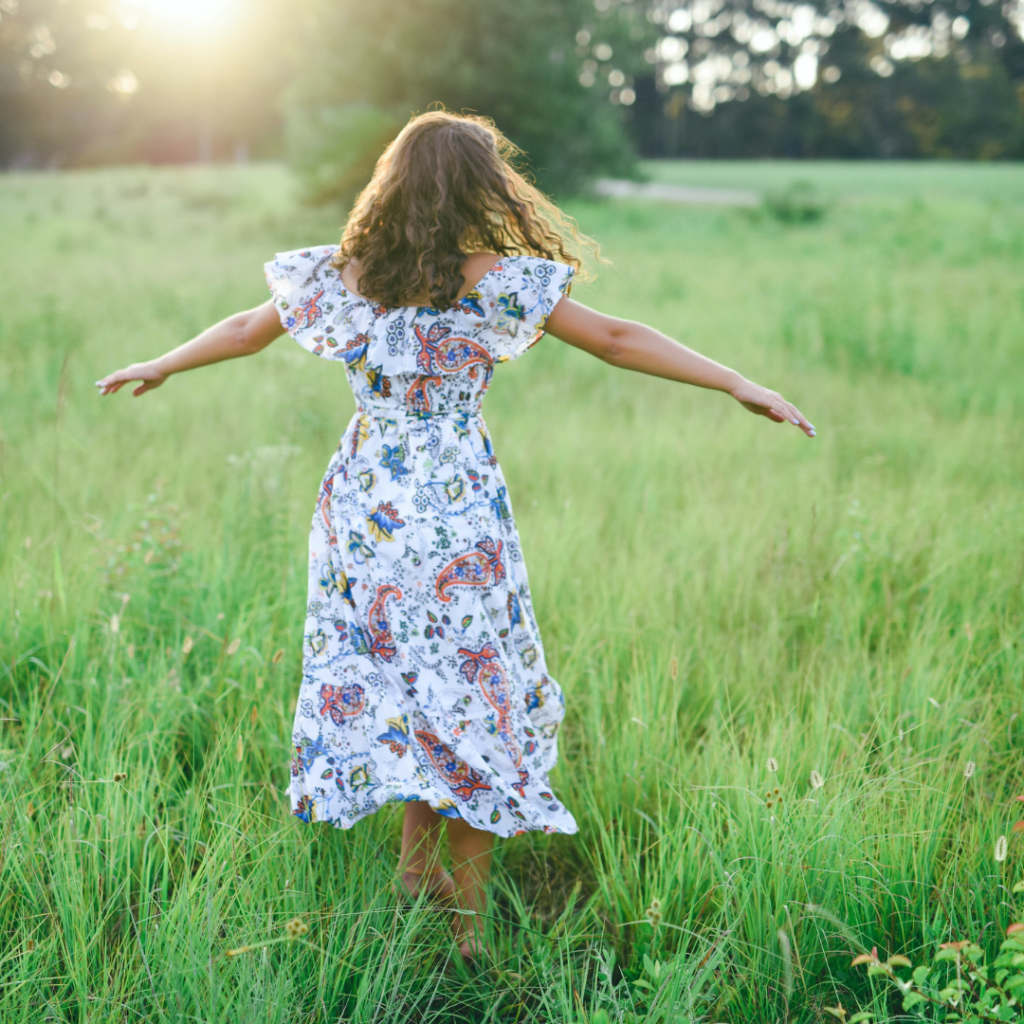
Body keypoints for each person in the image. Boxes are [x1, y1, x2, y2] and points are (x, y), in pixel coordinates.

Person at [97, 110, 814, 965]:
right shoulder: (494, 279)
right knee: (472, 698)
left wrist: (162, 362)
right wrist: (737, 382)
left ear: (388, 184)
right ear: (482, 190)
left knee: (408, 688)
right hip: (453, 512)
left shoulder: (342, 275)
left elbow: (246, 332)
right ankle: (467, 939)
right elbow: (619, 340)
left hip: (362, 512)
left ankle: (414, 877)